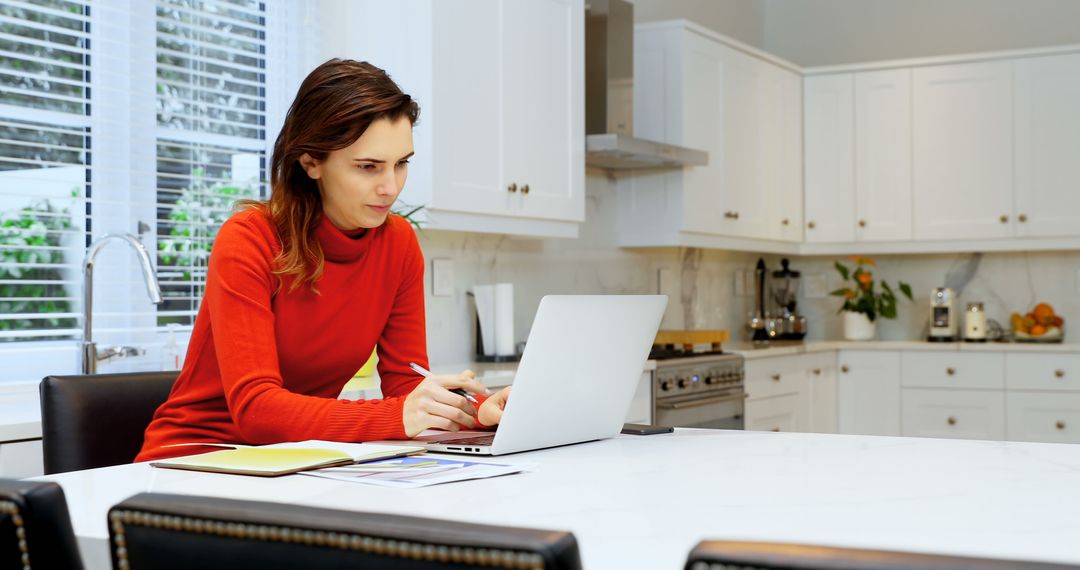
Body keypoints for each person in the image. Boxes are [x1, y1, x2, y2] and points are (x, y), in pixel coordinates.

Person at [136, 59, 510, 462]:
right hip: (196, 458)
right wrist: (399, 414)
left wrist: (474, 413)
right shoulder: (249, 239)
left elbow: (406, 384)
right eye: (368, 167)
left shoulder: (398, 244)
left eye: (401, 164)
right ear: (311, 162)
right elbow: (257, 411)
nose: (390, 187)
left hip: (300, 458)